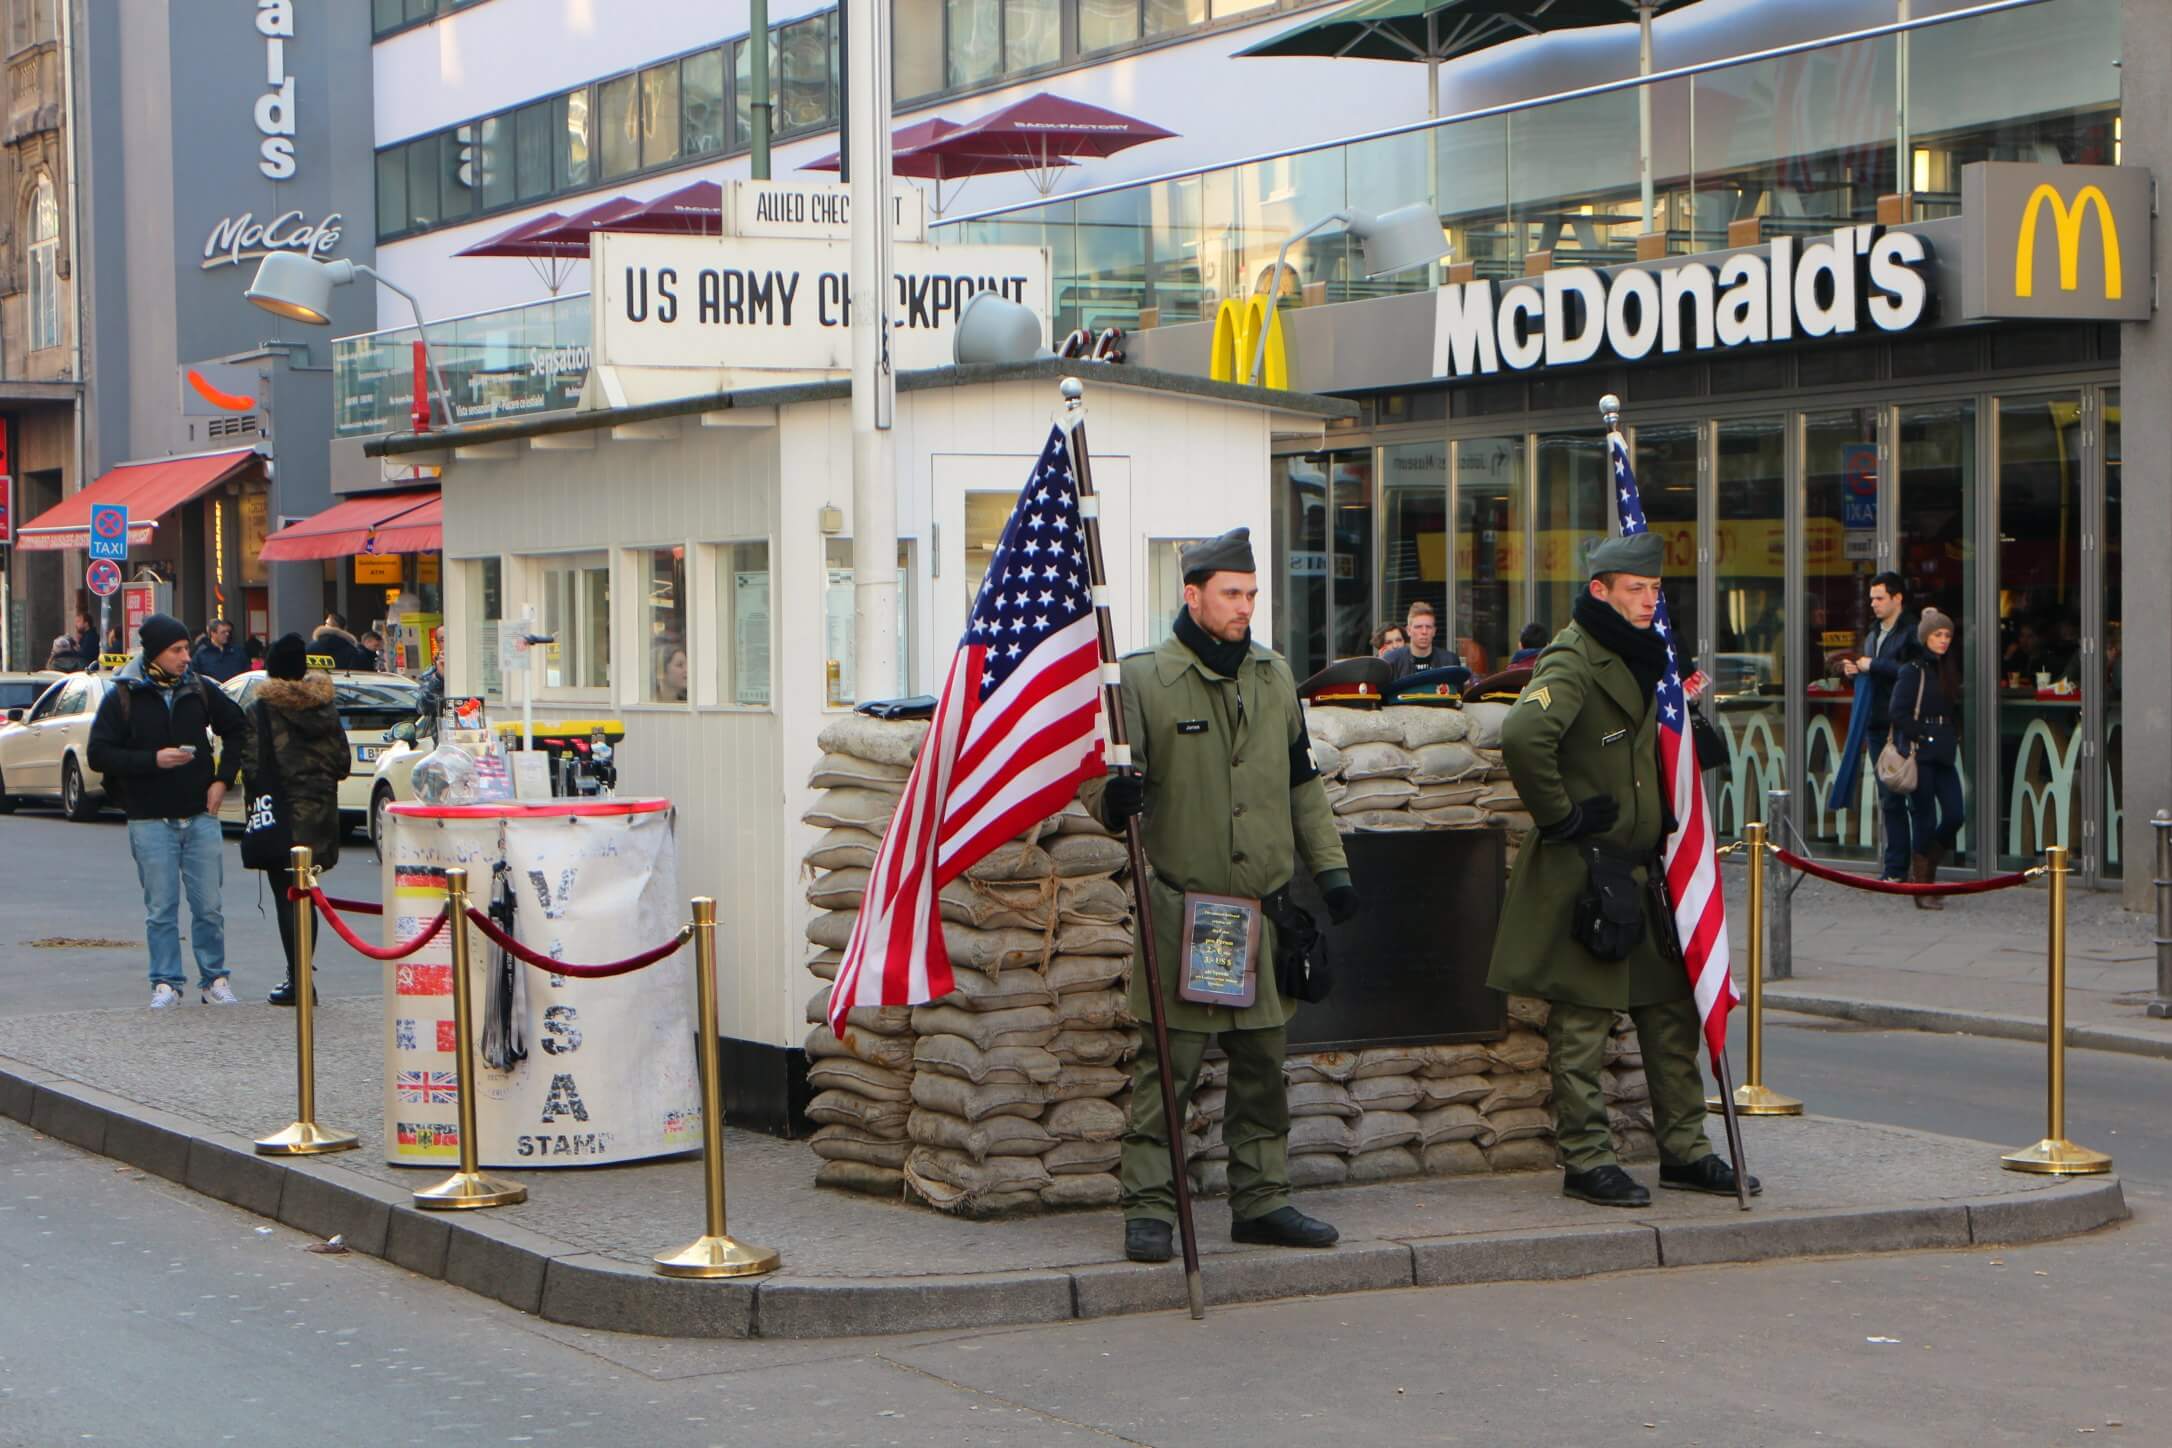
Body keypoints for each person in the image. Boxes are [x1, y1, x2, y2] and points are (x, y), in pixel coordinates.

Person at [1081, 527, 1360, 1263]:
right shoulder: (1141, 679)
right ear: (1193, 593)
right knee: (1168, 1069)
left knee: (1264, 1066)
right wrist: (1111, 799)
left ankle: (1261, 1200)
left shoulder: (1272, 677)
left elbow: (1302, 785)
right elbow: (1097, 774)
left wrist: (1330, 871)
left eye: (1251, 595)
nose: (1245, 608)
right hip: (1188, 914)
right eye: (1232, 594)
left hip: (1263, 911)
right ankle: (1149, 1206)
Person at [1486, 533, 1757, 1207]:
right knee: (1582, 1023)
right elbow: (1524, 734)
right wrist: (1561, 816)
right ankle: (1586, 1160)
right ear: (1600, 590)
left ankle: (1686, 1151)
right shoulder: (1576, 656)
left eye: (1655, 590)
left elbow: (1653, 738)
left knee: (1669, 1016)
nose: (1648, 601)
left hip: (1648, 870)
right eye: (1636, 590)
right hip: (1591, 869)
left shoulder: (1651, 657)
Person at [87, 613, 249, 1009]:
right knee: (161, 909)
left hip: (199, 815)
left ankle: (215, 979)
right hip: (149, 818)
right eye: (176, 650)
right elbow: (98, 754)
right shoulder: (123, 695)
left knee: (208, 906)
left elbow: (238, 727)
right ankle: (165, 983)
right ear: (155, 652)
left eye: (186, 650)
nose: (184, 658)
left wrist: (222, 779)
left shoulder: (199, 689)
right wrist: (151, 760)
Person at [244, 634, 354, 1004]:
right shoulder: (326, 709)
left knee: (286, 896)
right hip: (321, 815)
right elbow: (342, 764)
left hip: (284, 813)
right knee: (309, 895)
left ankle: (299, 980)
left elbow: (253, 765)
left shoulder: (263, 710)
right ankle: (303, 976)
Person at [1838, 572, 1917, 882]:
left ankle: (1913, 865)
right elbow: (1868, 666)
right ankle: (1895, 868)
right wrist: (1854, 669)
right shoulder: (1873, 632)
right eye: (1872, 598)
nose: (1873, 604)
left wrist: (1872, 665)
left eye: (1880, 598)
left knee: (1910, 794)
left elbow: (1910, 672)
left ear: (1897, 598)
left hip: (1900, 723)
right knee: (1889, 797)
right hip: (1876, 723)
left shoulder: (1910, 632)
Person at [1893, 608, 1965, 911]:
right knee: (1924, 819)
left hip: (1945, 752)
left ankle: (1925, 873)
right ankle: (1922, 886)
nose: (1943, 640)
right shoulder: (1912, 670)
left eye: (1947, 635)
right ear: (1926, 637)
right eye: (1938, 635)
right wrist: (1921, 735)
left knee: (1954, 814)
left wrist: (1954, 734)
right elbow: (1898, 711)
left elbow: (1953, 707)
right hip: (1921, 752)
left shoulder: (1949, 668)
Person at [1380, 600, 1462, 681]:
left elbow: (1457, 692)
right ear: (1408, 630)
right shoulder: (1392, 661)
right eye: (1418, 627)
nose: (1424, 632)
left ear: (1434, 631)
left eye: (1428, 627)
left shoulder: (1450, 662)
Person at [192, 618, 250, 683]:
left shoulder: (237, 651)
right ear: (213, 633)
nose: (227, 634)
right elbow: (194, 677)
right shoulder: (201, 654)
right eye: (223, 632)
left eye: (227, 631)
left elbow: (247, 672)